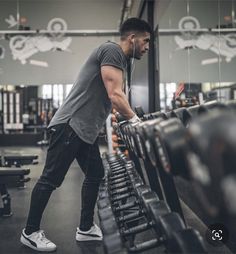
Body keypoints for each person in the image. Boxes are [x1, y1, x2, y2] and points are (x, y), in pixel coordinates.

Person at [20, 17, 151, 252]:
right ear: (133, 38)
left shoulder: (124, 62)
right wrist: (135, 120)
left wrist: (125, 117)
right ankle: (29, 232)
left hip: (85, 131)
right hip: (70, 125)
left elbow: (117, 99)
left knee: (96, 175)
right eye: (146, 40)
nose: (147, 46)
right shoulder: (112, 51)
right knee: (51, 179)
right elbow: (115, 95)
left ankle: (85, 227)